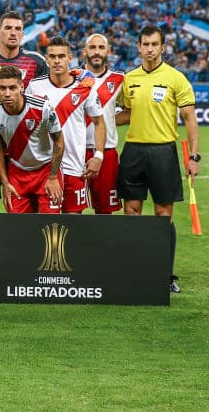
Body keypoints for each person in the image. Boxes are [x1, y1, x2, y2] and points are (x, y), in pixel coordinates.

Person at [116, 25, 199, 293]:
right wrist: (94, 122)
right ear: (138, 47)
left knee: (163, 215)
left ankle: (165, 273)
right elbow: (126, 114)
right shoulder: (129, 79)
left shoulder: (176, 78)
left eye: (155, 44)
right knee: (131, 212)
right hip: (133, 152)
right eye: (145, 44)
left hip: (163, 152)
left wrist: (194, 156)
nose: (150, 49)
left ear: (162, 47)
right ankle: (132, 268)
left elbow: (189, 119)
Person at [26, 36, 105, 214]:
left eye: (61, 56)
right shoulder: (35, 87)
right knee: (45, 224)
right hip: (45, 168)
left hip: (74, 168)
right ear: (46, 60)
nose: (56, 61)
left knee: (73, 223)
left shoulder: (85, 87)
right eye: (52, 57)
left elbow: (99, 122)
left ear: (70, 58)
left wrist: (99, 155)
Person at [0, 66, 64, 214]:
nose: (7, 94)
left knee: (50, 224)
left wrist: (53, 177)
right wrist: (5, 182)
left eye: (12, 88)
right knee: (18, 227)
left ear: (22, 87)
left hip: (45, 170)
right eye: (2, 88)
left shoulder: (44, 108)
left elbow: (59, 142)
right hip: (17, 173)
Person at [82, 33, 125, 214]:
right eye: (92, 47)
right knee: (70, 209)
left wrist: (106, 121)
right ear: (85, 51)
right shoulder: (73, 78)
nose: (97, 52)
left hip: (107, 153)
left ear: (108, 51)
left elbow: (129, 111)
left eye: (101, 48)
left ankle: (104, 243)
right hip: (76, 151)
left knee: (105, 211)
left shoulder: (120, 80)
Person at [0, 10, 49, 88]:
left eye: (17, 29)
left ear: (22, 34)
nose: (13, 33)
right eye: (8, 28)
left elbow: (48, 92)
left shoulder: (37, 61)